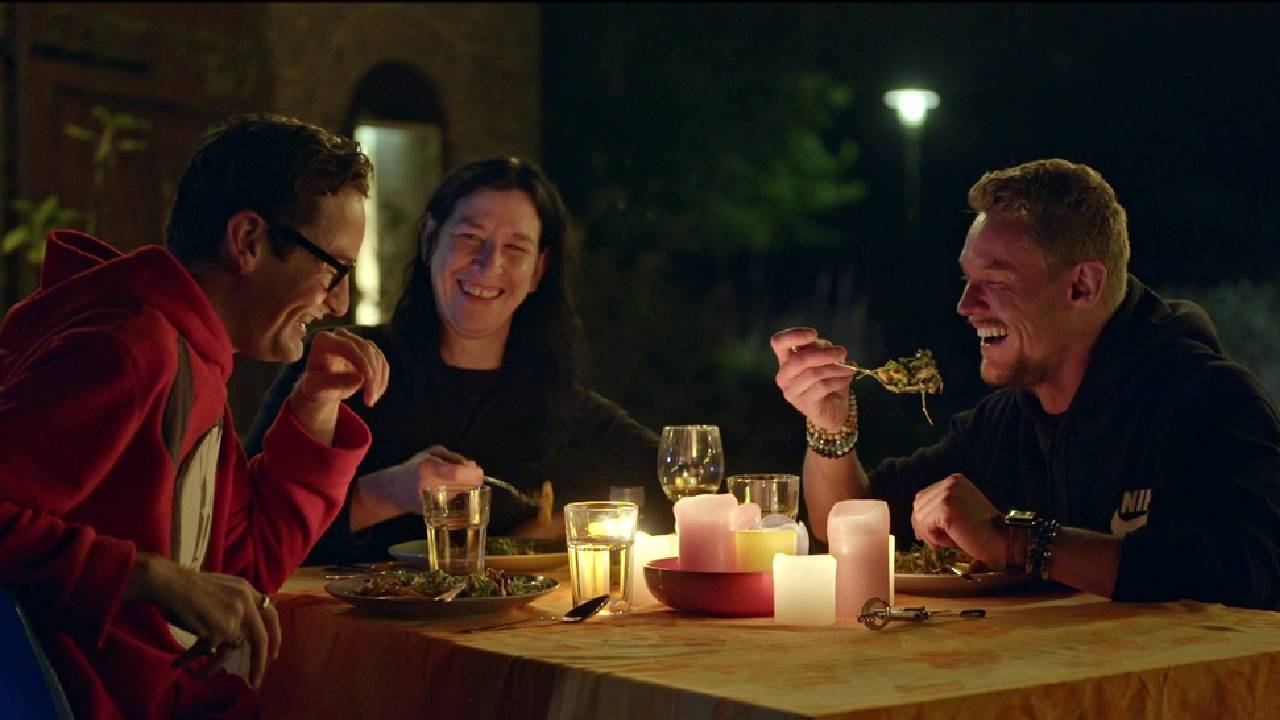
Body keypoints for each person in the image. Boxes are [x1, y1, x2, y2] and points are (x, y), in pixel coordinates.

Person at [0, 113, 390, 718]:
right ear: (249, 241)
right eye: (333, 268)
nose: (339, 300)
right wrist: (147, 576)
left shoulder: (195, 356)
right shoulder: (133, 344)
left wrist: (314, 408)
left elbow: (244, 572)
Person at [772, 158, 1280, 610]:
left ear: (1082, 285)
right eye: (967, 280)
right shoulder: (1009, 419)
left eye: (995, 281)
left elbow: (1247, 571)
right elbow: (847, 522)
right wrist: (830, 427)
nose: (966, 305)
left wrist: (1016, 540)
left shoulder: (1210, 401)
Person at [246, 156, 668, 566]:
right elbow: (249, 531)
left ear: (539, 271)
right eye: (470, 237)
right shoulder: (340, 370)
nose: (489, 264)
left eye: (515, 248)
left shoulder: (560, 406)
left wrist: (566, 526)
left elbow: (685, 491)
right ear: (430, 239)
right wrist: (387, 493)